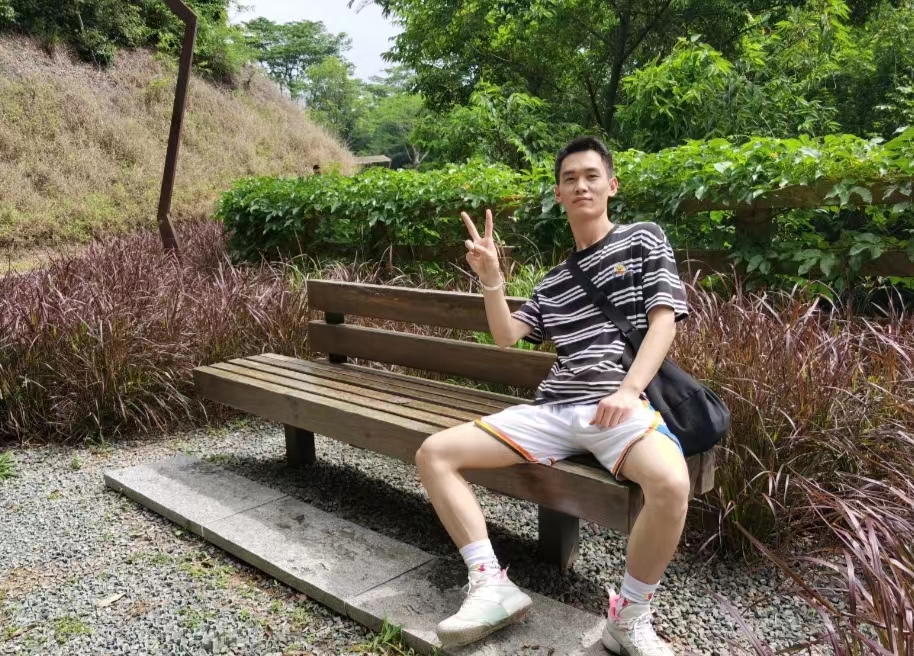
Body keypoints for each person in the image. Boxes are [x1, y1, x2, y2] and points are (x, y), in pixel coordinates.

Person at [415, 136, 692, 655]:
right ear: (559, 194)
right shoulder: (555, 281)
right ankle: (490, 585)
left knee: (672, 482)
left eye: (591, 176)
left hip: (618, 406)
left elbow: (664, 321)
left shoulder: (643, 239)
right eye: (570, 179)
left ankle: (629, 618)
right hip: (554, 409)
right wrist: (492, 280)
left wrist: (629, 390)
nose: (581, 185)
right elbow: (505, 335)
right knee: (434, 453)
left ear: (611, 186)